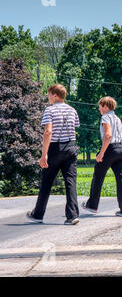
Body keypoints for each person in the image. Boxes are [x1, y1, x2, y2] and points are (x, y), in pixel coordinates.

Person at [26, 84, 80, 225]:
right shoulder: (72, 110)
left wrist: (44, 154)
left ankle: (38, 214)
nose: (48, 97)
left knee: (46, 181)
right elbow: (74, 128)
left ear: (55, 95)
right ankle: (72, 215)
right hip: (71, 146)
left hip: (55, 147)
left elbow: (48, 132)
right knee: (70, 182)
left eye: (49, 94)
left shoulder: (50, 110)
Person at [81, 96, 122, 217]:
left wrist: (101, 153)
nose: (99, 108)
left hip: (110, 149)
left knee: (98, 176)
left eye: (100, 106)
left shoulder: (105, 117)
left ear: (105, 106)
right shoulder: (117, 118)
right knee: (121, 179)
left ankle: (92, 205)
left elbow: (108, 135)